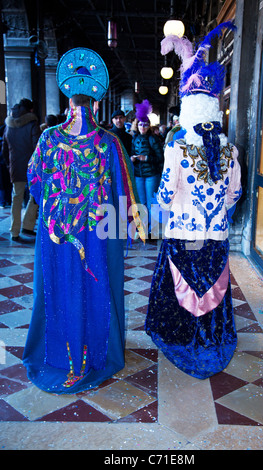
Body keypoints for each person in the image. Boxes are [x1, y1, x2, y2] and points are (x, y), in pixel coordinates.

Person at [23, 48, 145, 394]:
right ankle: (95, 354)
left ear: (68, 100)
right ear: (94, 101)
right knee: (96, 286)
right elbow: (124, 191)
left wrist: (54, 203)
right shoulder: (109, 143)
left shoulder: (48, 139)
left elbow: (34, 180)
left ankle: (58, 355)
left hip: (57, 232)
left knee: (58, 286)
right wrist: (127, 230)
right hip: (96, 233)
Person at [145, 22, 242, 379]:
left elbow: (166, 196)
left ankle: (182, 336)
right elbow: (235, 194)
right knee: (211, 286)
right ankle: (212, 338)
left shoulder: (176, 145)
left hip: (183, 233)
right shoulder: (230, 149)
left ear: (188, 106)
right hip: (216, 235)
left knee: (180, 286)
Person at [2, 98, 40, 241]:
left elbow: (4, 149)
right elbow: (37, 148)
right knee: (33, 196)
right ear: (30, 110)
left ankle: (14, 231)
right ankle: (28, 227)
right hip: (32, 167)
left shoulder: (8, 125)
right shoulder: (32, 124)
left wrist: (9, 164)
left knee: (16, 198)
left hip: (15, 166)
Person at [131, 100, 164, 236]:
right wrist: (133, 159)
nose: (142, 127)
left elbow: (161, 158)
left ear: (149, 126)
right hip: (139, 175)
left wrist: (147, 159)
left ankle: (153, 230)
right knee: (141, 203)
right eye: (140, 124)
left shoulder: (153, 139)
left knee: (151, 203)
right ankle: (143, 228)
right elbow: (132, 152)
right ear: (137, 125)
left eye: (145, 125)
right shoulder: (134, 139)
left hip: (151, 175)